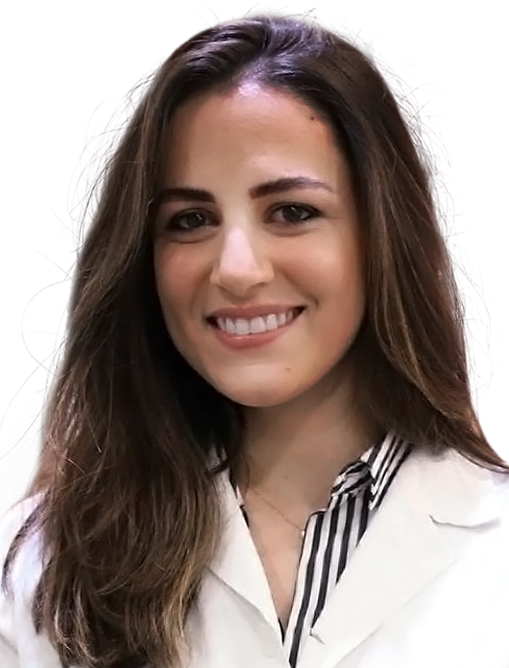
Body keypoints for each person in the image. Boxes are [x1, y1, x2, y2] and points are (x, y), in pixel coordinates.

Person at [1, 5, 508, 668]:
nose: (235, 269)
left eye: (292, 211)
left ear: (382, 237)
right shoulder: (29, 573)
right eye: (189, 220)